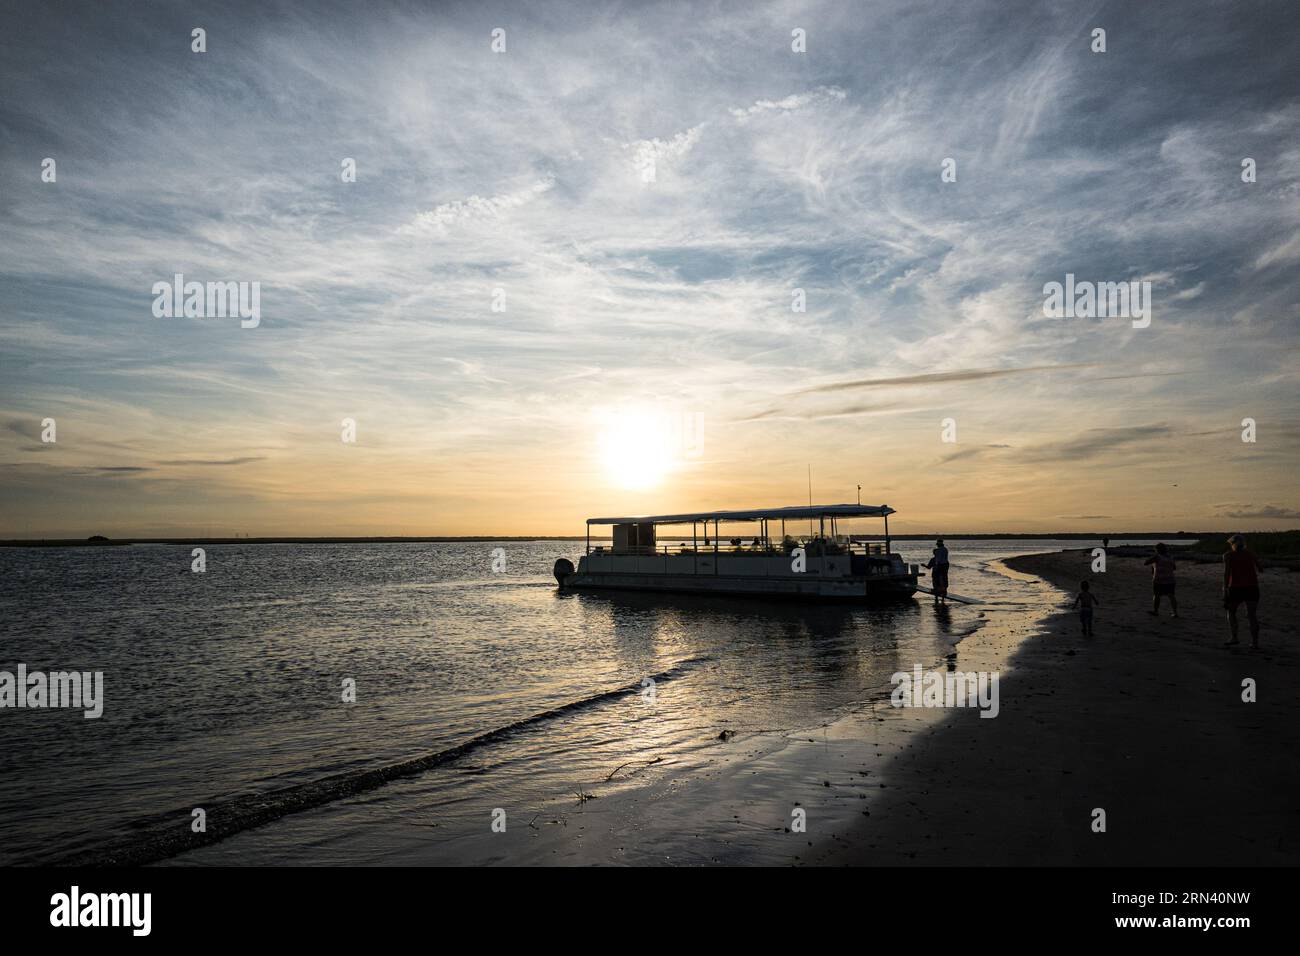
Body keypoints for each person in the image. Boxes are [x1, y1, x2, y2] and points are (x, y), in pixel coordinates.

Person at [1223, 534, 1262, 648]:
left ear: (1232, 544)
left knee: (1231, 612)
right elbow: (1260, 568)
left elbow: (1226, 574)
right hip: (1252, 587)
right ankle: (1255, 643)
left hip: (1235, 587)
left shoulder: (1228, 555)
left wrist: (1224, 589)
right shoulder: (1251, 554)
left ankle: (1234, 637)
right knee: (1252, 616)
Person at [1143, 543, 1178, 617]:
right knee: (1171, 595)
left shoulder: (1157, 556)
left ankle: (1156, 611)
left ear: (1157, 550)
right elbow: (1174, 568)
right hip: (1170, 579)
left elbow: (1145, 563)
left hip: (1159, 579)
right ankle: (1175, 612)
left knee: (1157, 595)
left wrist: (1153, 558)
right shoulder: (1171, 557)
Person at [925, 538, 950, 604]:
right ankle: (944, 589)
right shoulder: (945, 549)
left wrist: (936, 566)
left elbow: (938, 560)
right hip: (946, 564)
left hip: (941, 564)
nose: (937, 545)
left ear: (938, 544)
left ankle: (939, 589)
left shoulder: (938, 550)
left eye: (937, 544)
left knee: (939, 577)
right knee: (944, 577)